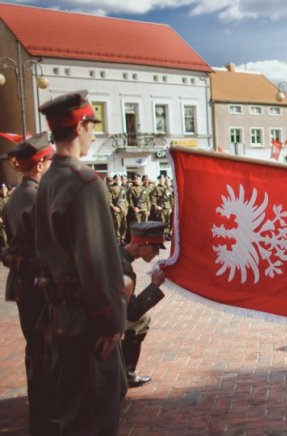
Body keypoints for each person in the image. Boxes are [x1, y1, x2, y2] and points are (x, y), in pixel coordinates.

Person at [35, 91, 127, 434]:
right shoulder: (85, 182)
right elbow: (97, 260)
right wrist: (112, 320)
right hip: (88, 322)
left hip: (60, 317)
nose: (93, 134)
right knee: (94, 418)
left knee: (75, 412)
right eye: (92, 126)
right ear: (80, 125)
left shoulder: (49, 181)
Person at [1, 132, 55, 435]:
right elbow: (45, 248)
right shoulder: (35, 198)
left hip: (24, 283)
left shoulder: (15, 198)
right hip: (38, 284)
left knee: (36, 349)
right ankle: (45, 418)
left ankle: (42, 413)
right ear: (40, 164)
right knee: (44, 350)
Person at [120, 221, 167, 390]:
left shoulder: (119, 256)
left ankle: (124, 372)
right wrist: (154, 286)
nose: (157, 252)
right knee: (140, 319)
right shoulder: (122, 266)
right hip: (101, 322)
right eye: (154, 247)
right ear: (141, 244)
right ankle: (125, 373)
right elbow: (131, 312)